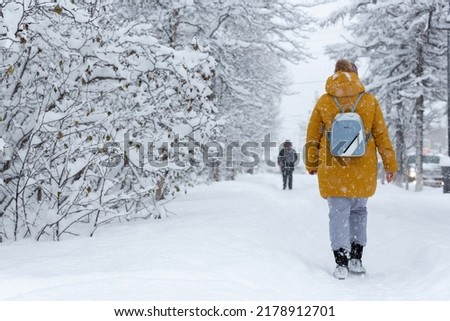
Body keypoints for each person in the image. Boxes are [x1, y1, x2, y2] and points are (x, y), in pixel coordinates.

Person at [304, 59, 398, 280]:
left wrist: (311, 162)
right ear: (355, 74)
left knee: (337, 214)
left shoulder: (325, 102)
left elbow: (313, 135)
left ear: (335, 73)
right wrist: (390, 164)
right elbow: (381, 135)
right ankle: (356, 259)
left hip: (334, 167)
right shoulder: (369, 101)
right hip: (362, 170)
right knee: (358, 212)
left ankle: (341, 263)